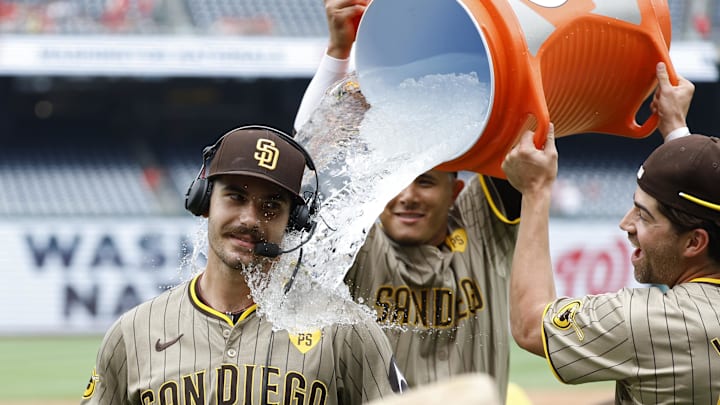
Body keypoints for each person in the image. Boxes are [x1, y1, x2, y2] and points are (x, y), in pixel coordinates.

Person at [293, 0, 521, 400]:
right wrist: (340, 52)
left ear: (457, 193)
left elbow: (518, 123)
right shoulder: (361, 242)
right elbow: (311, 161)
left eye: (426, 182)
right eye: (395, 180)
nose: (407, 197)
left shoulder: (483, 228)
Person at [80, 125, 406, 405]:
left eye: (271, 206)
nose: (250, 218)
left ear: (293, 223)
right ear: (204, 201)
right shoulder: (133, 332)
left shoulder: (344, 330)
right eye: (235, 197)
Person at [501, 62, 720, 402]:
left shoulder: (654, 321)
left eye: (644, 216)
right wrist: (677, 131)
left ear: (695, 242)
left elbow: (531, 325)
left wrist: (535, 189)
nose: (626, 224)